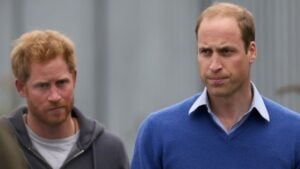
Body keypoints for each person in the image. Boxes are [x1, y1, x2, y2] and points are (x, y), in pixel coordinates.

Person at [131, 2, 300, 169]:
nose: (214, 65)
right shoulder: (158, 133)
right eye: (206, 52)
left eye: (226, 51)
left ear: (251, 51)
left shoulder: (293, 133)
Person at [2, 30, 129, 169]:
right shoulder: (4, 146)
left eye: (62, 83)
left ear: (74, 78)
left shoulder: (108, 151)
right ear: (21, 87)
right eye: (43, 86)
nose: (55, 96)